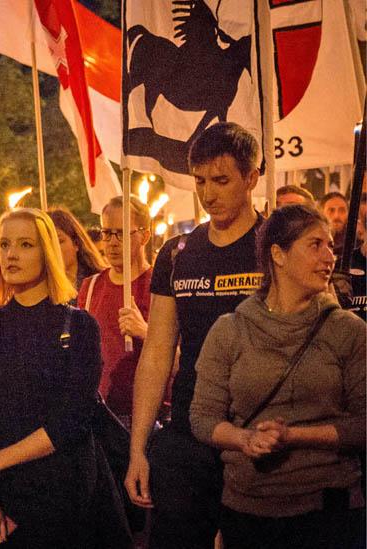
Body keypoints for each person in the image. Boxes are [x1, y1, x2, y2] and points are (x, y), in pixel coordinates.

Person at [190, 204, 366, 549]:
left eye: (330, 245)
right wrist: (243, 439)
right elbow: (201, 416)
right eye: (315, 245)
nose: (329, 257)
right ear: (278, 254)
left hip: (328, 510)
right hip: (248, 511)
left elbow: (364, 423)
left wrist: (294, 436)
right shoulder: (230, 330)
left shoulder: (349, 330)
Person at [125, 122, 265, 549]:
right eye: (201, 181)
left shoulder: (276, 245)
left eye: (221, 180)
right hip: (188, 433)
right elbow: (157, 353)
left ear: (252, 178)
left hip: (258, 434)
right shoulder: (176, 253)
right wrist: (138, 448)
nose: (208, 194)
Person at [0, 208, 128, 548]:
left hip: (66, 492)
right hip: (5, 496)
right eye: (4, 244)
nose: (11, 254)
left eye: (25, 244)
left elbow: (72, 420)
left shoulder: (79, 327)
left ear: (46, 252)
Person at [78, 196, 152, 426]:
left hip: (146, 416)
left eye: (121, 233)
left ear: (145, 235)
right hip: (99, 414)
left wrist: (145, 332)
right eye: (107, 233)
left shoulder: (161, 286)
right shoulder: (90, 287)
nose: (111, 242)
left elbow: (183, 359)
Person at [48, 206, 107, 290]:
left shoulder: (99, 283)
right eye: (47, 243)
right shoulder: (40, 289)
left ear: (76, 243)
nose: (53, 248)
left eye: (59, 241)